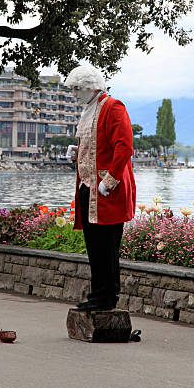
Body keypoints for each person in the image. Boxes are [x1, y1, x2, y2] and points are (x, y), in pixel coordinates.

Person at [65, 65, 136, 311]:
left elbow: (124, 146)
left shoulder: (113, 107)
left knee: (107, 246)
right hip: (88, 187)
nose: (74, 94)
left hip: (107, 190)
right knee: (94, 245)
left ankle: (107, 298)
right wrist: (77, 151)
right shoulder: (88, 110)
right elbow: (95, 145)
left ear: (91, 87)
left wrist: (110, 180)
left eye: (77, 89)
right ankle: (98, 295)